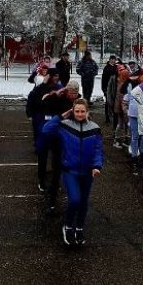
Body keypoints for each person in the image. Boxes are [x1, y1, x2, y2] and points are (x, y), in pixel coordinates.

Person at [40, 99, 103, 247]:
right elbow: (46, 130)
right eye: (77, 111)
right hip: (70, 171)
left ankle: (79, 228)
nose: (80, 114)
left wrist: (97, 166)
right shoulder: (64, 126)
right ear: (72, 111)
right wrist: (61, 116)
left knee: (83, 202)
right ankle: (68, 226)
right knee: (75, 200)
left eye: (82, 111)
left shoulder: (94, 128)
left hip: (87, 172)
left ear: (87, 112)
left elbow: (98, 150)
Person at [40, 80, 81, 214]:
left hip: (72, 142)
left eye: (75, 92)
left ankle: (75, 201)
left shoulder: (79, 102)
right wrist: (56, 94)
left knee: (74, 173)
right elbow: (44, 104)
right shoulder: (59, 99)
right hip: (58, 139)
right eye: (71, 92)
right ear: (66, 91)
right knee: (56, 173)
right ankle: (51, 202)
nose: (73, 95)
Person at [26, 68, 62, 188]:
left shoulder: (59, 88)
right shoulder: (40, 88)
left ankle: (55, 178)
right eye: (55, 75)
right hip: (41, 121)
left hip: (55, 123)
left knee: (56, 153)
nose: (57, 78)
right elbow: (32, 99)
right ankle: (41, 180)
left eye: (58, 75)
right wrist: (30, 114)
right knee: (43, 153)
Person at [121, 72, 143, 163]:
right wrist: (126, 111)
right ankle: (134, 155)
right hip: (133, 115)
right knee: (135, 136)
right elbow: (125, 99)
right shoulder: (133, 87)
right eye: (142, 77)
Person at [101, 55, 118, 123]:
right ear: (110, 59)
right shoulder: (106, 68)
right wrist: (104, 89)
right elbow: (104, 79)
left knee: (114, 102)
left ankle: (113, 116)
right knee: (108, 103)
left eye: (114, 59)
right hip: (108, 88)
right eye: (113, 59)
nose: (114, 61)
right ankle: (107, 117)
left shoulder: (116, 67)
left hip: (115, 88)